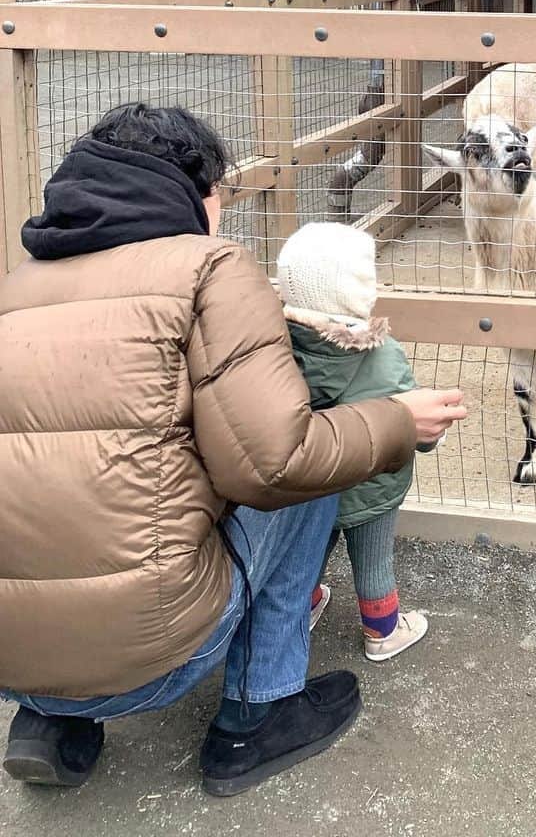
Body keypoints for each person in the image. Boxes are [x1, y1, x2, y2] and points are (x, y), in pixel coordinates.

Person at [0, 103, 467, 797]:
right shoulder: (207, 268)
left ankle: (50, 721)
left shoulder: (16, 289)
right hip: (158, 659)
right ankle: (258, 712)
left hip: (13, 664)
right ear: (197, 191)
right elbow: (276, 462)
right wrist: (394, 420)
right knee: (309, 458)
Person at [275, 223, 436, 660]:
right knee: (374, 559)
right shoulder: (383, 356)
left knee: (307, 551)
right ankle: (383, 631)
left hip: (310, 480)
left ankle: (300, 609)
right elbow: (413, 421)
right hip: (374, 483)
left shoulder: (273, 350)